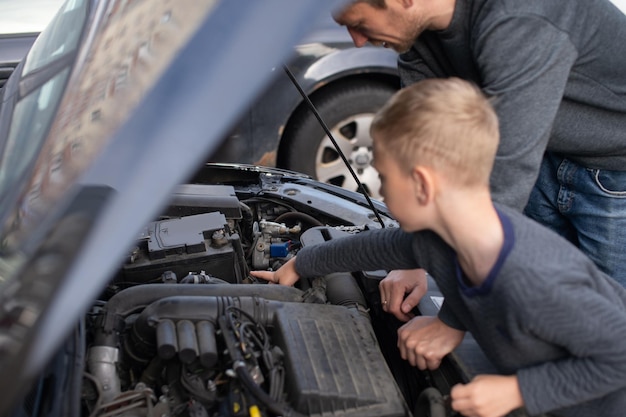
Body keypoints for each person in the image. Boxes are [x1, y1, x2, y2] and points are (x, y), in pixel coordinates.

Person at [250, 78, 626, 417]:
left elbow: (618, 357)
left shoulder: (534, 279)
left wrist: (516, 392)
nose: (378, 190)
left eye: (383, 177)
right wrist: (302, 264)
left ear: (422, 186)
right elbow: (374, 248)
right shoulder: (442, 239)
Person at [330, 0, 626, 297]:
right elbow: (423, 153)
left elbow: (499, 195)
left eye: (359, 24)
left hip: (614, 174)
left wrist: (452, 320)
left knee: (612, 317)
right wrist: (413, 260)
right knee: (543, 298)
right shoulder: (417, 40)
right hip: (541, 155)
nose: (358, 41)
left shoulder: (519, 16)